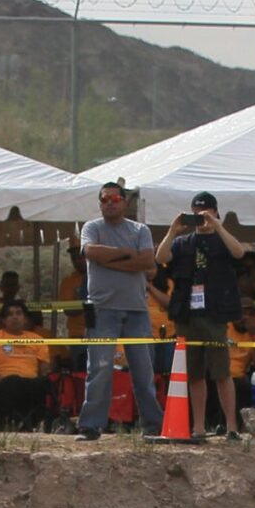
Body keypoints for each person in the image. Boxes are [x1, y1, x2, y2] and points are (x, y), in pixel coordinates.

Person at [157, 192, 246, 441]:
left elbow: (239, 253)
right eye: (197, 214)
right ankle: (198, 427)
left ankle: (231, 426)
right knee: (194, 373)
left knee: (221, 371)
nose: (202, 218)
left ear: (216, 211)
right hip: (187, 313)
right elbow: (161, 258)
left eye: (206, 212)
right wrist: (173, 230)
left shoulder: (223, 240)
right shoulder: (183, 242)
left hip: (215, 313)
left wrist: (216, 225)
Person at [78, 180, 162, 439]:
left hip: (136, 309)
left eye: (115, 199)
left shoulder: (140, 230)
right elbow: (90, 252)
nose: (110, 204)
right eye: (105, 200)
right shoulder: (92, 227)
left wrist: (111, 260)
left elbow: (148, 261)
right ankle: (91, 425)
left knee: (143, 370)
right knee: (100, 369)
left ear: (124, 202)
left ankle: (153, 425)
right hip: (102, 308)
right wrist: (127, 254)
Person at [0, 300, 53, 430]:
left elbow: (45, 368)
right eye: (10, 314)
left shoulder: (37, 339)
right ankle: (9, 424)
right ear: (3, 320)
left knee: (47, 383)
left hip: (31, 382)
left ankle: (41, 424)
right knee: (13, 382)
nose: (15, 317)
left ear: (25, 319)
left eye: (19, 313)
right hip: (4, 383)